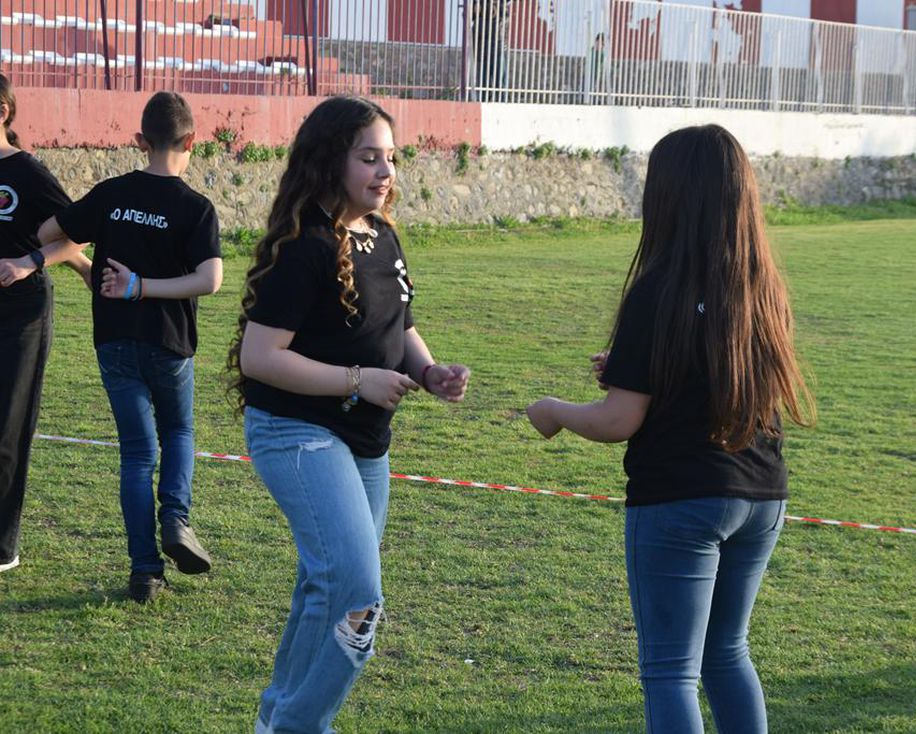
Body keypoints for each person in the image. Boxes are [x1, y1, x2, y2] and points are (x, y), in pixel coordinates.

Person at [526, 125, 814, 734]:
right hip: (762, 495)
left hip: (681, 498)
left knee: (671, 672)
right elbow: (716, 370)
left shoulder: (657, 288)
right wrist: (633, 368)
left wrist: (554, 411)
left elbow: (617, 420)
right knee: (727, 653)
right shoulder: (761, 287)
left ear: (669, 195)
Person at [226, 96, 470, 734]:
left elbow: (400, 326)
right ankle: (299, 725)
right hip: (296, 432)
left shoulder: (381, 233)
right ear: (330, 160)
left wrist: (428, 372)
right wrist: (359, 380)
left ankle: (277, 719)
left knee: (324, 587)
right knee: (358, 594)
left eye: (391, 157)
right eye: (368, 157)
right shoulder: (305, 244)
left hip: (364, 440)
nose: (385, 171)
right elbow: (259, 357)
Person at [38, 91, 222, 602]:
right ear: (191, 141)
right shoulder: (195, 207)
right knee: (178, 431)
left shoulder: (112, 193)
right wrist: (143, 286)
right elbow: (210, 280)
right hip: (169, 342)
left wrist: (86, 253)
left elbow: (49, 231)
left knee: (138, 454)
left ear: (141, 141)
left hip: (115, 340)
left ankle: (145, 572)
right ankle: (176, 520)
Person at [0, 72, 91, 574]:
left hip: (20, 312)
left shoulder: (27, 172)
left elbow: (77, 231)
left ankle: (2, 547)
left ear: (3, 112)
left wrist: (29, 262)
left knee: (7, 428)